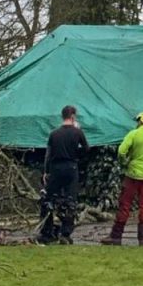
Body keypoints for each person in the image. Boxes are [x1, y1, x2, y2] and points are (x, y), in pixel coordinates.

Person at [101, 111, 143, 247]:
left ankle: (116, 237)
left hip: (132, 175)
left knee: (125, 204)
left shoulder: (133, 134)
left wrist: (125, 162)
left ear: (142, 120)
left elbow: (121, 151)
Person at [39, 105, 89, 245]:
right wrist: (77, 158)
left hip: (55, 168)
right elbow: (86, 150)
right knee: (70, 201)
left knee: (49, 200)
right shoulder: (78, 133)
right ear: (73, 117)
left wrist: (46, 171)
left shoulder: (54, 134)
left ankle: (47, 232)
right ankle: (65, 233)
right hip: (71, 167)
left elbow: (48, 155)